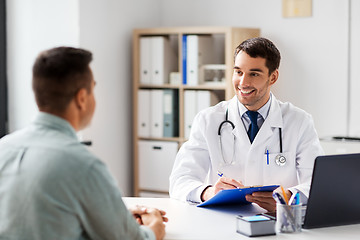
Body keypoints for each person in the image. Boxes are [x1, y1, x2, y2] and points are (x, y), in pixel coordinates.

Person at [0, 47, 166, 240]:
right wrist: (155, 227)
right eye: (93, 89)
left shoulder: (4, 148)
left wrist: (114, 216)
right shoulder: (84, 166)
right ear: (81, 98)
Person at [169, 37, 324, 212]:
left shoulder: (299, 121)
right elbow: (180, 180)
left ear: (273, 77)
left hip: (277, 223)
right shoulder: (208, 120)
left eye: (254, 74)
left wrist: (287, 197)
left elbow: (318, 184)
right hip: (224, 221)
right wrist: (209, 192)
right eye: (238, 72)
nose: (243, 83)